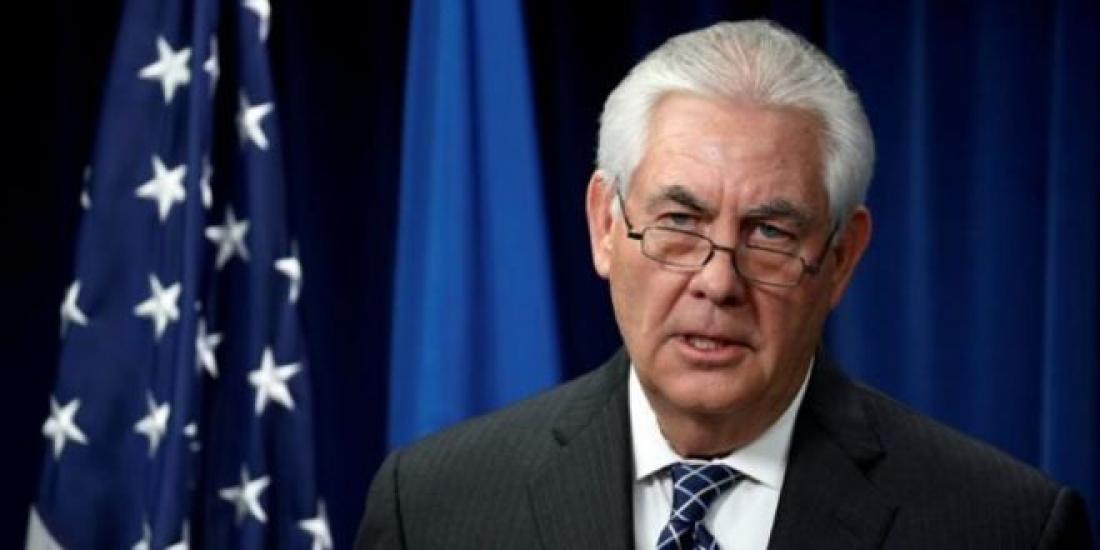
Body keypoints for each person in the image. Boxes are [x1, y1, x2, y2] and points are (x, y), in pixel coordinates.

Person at [355, 19, 1093, 549]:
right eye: (680, 220)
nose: (717, 281)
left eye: (770, 233)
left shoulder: (1004, 527)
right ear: (605, 225)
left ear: (841, 258)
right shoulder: (432, 508)